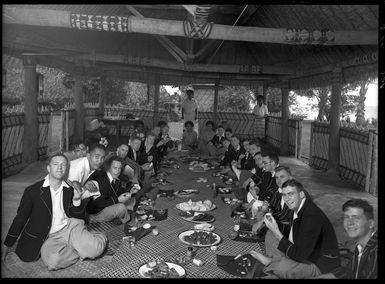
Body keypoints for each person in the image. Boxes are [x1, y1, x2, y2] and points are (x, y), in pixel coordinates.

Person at [2, 153, 107, 270]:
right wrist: (7, 244)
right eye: (55, 164)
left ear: (66, 169)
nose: (60, 167)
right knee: (53, 262)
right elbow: (20, 218)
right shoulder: (33, 191)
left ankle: (94, 239)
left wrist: (77, 200)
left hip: (70, 227)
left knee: (96, 249)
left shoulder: (70, 189)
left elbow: (79, 217)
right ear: (48, 168)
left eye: (63, 165)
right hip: (49, 236)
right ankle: (79, 248)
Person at [250, 179, 340, 279]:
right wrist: (274, 226)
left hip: (319, 264)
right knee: (270, 234)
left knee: (282, 268)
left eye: (291, 194)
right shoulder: (297, 206)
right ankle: (275, 263)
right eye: (284, 195)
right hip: (301, 252)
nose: (287, 199)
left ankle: (272, 263)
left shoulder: (311, 216)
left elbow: (300, 256)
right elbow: (293, 230)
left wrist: (277, 232)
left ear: (301, 194)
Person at [317, 199, 377, 279]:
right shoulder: (361, 245)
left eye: (356, 218)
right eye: (346, 217)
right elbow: (349, 271)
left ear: (371, 224)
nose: (349, 222)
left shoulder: (375, 252)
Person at [86, 156, 136, 224]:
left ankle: (120, 218)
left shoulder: (116, 179)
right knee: (121, 207)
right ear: (108, 168)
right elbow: (97, 204)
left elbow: (118, 193)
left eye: (119, 168)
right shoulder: (102, 180)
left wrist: (130, 191)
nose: (117, 171)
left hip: (109, 206)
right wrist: (118, 200)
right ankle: (95, 219)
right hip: (96, 212)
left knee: (131, 201)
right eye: (115, 168)